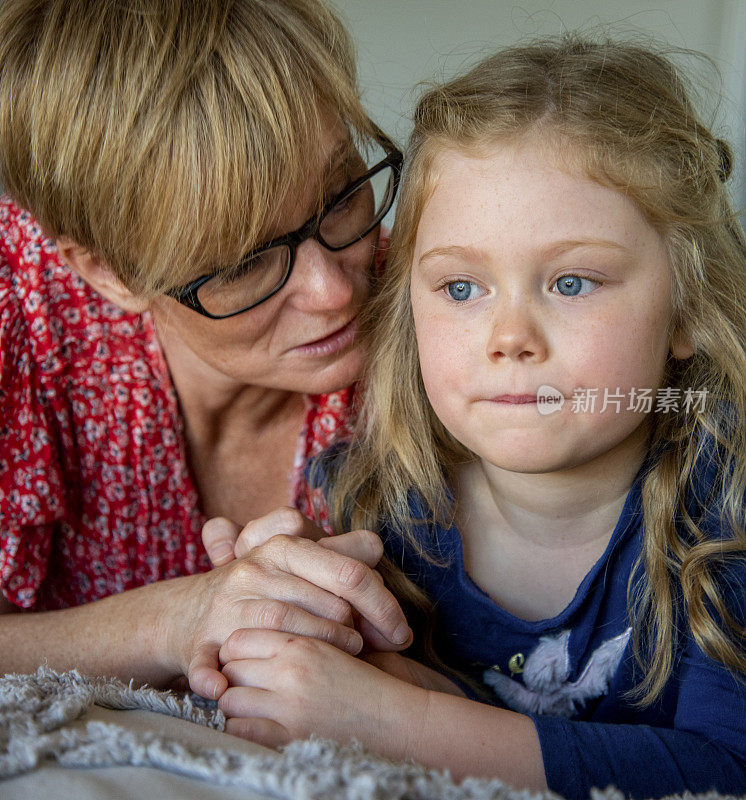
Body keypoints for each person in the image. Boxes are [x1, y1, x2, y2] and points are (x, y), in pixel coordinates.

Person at [212, 38, 746, 798]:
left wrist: (401, 722)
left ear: (686, 307)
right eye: (462, 289)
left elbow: (727, 771)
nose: (509, 338)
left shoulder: (726, 509)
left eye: (571, 281)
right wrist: (268, 622)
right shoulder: (383, 499)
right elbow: (307, 676)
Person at [0, 0, 413, 700]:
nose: (335, 289)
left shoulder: (446, 306)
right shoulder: (20, 313)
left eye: (341, 192)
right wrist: (181, 616)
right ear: (109, 273)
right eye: (245, 262)